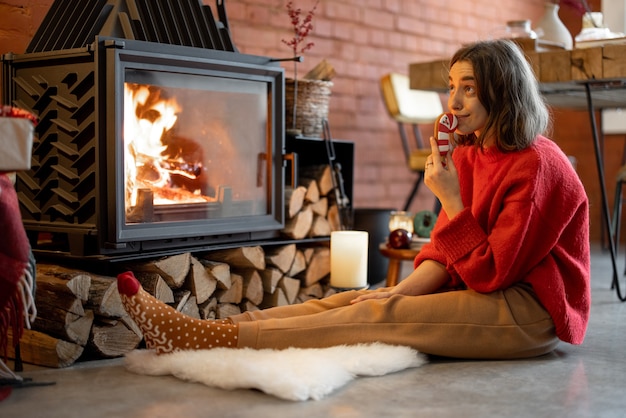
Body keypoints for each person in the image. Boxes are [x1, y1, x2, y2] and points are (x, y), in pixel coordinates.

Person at [117, 39, 591, 359]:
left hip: (527, 311)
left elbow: (493, 273)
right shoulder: (468, 155)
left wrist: (449, 198)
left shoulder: (537, 165)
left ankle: (212, 342)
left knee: (378, 314)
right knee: (364, 299)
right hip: (482, 285)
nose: (454, 103)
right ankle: (222, 328)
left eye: (469, 89)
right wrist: (397, 289)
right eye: (452, 87)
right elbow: (447, 252)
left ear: (503, 93)